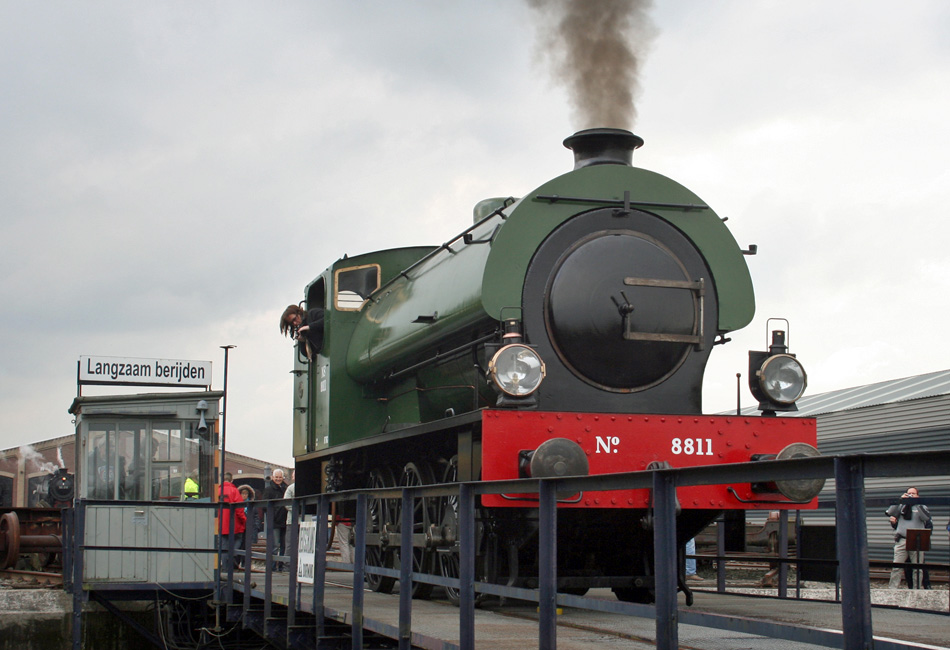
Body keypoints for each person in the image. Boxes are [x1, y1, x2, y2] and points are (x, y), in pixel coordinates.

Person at [885, 487, 931, 589]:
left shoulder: (921, 506)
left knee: (917, 568)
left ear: (917, 496)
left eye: (913, 494)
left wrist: (917, 502)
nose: (910, 495)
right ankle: (892, 589)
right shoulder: (902, 506)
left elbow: (926, 518)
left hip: (916, 540)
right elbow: (890, 512)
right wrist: (899, 500)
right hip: (902, 539)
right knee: (897, 566)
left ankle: (916, 589)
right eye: (908, 493)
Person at [219, 472, 247, 569]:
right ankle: (233, 557)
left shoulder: (217, 491)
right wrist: (244, 520)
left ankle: (225, 568)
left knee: (223, 546)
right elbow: (240, 509)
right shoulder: (234, 491)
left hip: (220, 524)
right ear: (232, 480)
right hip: (233, 524)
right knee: (238, 540)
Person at [264, 469, 289, 570]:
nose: (278, 479)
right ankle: (272, 567)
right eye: (276, 477)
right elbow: (265, 505)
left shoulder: (286, 488)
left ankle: (281, 566)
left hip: (285, 520)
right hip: (274, 521)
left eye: (280, 477)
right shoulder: (268, 490)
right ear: (273, 477)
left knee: (284, 545)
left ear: (283, 478)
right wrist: (273, 515)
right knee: (274, 546)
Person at [237, 484, 258, 569]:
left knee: (247, 546)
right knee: (239, 545)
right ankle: (237, 563)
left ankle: (245, 563)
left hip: (249, 528)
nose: (244, 496)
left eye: (246, 494)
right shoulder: (238, 504)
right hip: (240, 528)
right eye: (243, 494)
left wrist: (256, 526)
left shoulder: (252, 505)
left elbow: (256, 516)